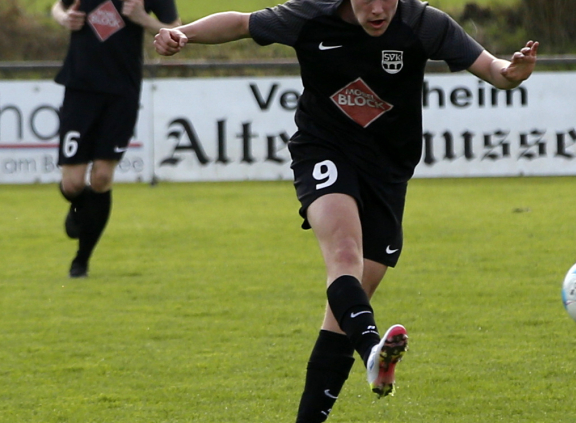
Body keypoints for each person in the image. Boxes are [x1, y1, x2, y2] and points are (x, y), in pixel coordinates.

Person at [152, 1, 537, 421]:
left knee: (343, 314)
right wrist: (185, 33)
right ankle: (373, 350)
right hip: (325, 149)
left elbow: (492, 68)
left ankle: (343, 382)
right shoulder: (311, 16)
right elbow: (243, 23)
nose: (377, 9)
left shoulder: (424, 24)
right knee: (344, 256)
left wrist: (511, 73)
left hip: (387, 172)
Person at [52, 0, 181, 278]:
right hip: (80, 88)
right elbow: (58, 6)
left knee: (101, 178)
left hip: (122, 92)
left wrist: (143, 19)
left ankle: (81, 261)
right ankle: (79, 206)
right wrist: (64, 18)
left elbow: (176, 30)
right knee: (72, 184)